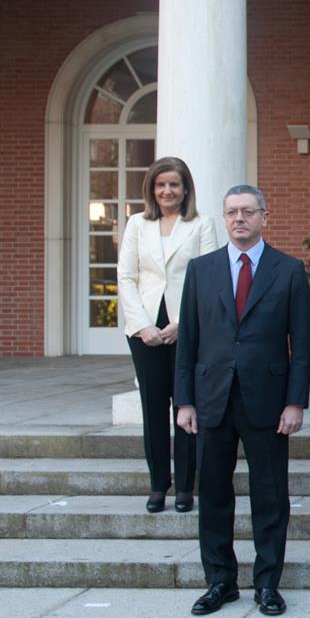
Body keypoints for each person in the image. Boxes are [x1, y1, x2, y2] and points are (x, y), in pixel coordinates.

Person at [177, 184, 310, 618]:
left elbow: (303, 346)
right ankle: (220, 581)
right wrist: (184, 401)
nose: (240, 219)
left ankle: (268, 584)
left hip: (268, 402)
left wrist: (296, 403)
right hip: (211, 399)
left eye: (248, 212)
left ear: (264, 216)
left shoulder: (289, 270)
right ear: (224, 217)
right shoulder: (201, 270)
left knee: (270, 495)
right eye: (232, 212)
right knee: (214, 494)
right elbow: (188, 343)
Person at [117, 157, 217, 514]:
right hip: (143, 330)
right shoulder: (136, 224)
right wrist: (144, 325)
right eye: (161, 185)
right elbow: (126, 277)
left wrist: (181, 325)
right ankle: (159, 484)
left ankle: (185, 488)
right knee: (153, 408)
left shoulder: (202, 224)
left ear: (185, 188)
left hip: (185, 328)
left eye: (174, 184)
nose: (167, 191)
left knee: (186, 406)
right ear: (152, 189)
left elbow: (209, 278)